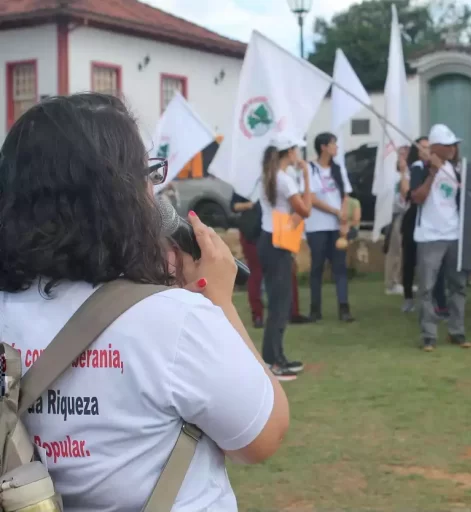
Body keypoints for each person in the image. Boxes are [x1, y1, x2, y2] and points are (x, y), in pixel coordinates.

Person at [0, 93, 289, 509]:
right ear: (119, 197)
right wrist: (219, 302)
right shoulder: (172, 320)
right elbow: (263, 435)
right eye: (148, 175)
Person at [410, 124, 470, 351]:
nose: (453, 148)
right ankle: (429, 335)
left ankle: (457, 331)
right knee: (426, 288)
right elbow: (417, 198)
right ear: (435, 147)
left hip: (454, 234)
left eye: (454, 145)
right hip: (429, 236)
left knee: (458, 286)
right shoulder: (420, 168)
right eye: (448, 145)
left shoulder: (456, 169)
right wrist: (432, 173)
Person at [258, 136, 314, 379]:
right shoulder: (284, 179)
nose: (297, 155)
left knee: (279, 303)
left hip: (270, 240)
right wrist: (307, 177)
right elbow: (305, 210)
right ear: (289, 152)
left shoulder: (270, 176)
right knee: (280, 305)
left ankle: (276, 357)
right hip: (277, 243)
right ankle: (273, 361)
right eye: (295, 150)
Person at [231, 193, 310, 327]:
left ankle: (292, 312)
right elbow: (234, 206)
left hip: (278, 229)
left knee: (288, 269)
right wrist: (252, 204)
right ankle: (258, 315)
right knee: (256, 274)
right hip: (254, 231)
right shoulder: (248, 187)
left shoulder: (278, 183)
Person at [305, 132, 355, 322]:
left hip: (336, 227)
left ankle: (344, 308)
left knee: (340, 267)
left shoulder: (338, 169)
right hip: (317, 227)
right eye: (333, 144)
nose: (336, 147)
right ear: (323, 147)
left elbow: (345, 196)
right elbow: (312, 198)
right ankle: (315, 310)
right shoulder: (310, 169)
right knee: (317, 268)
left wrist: (344, 219)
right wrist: (335, 212)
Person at [400, 137, 448, 314]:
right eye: (424, 148)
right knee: (410, 259)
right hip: (414, 217)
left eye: (430, 147)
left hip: (433, 218)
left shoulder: (441, 167)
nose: (427, 151)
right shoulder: (415, 168)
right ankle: (408, 297)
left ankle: (436, 298)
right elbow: (408, 193)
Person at [385, 145, 410, 296]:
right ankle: (391, 283)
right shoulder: (392, 175)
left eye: (405, 154)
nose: (402, 157)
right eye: (400, 154)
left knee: (404, 250)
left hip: (408, 214)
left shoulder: (409, 173)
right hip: (396, 214)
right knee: (395, 249)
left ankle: (401, 280)